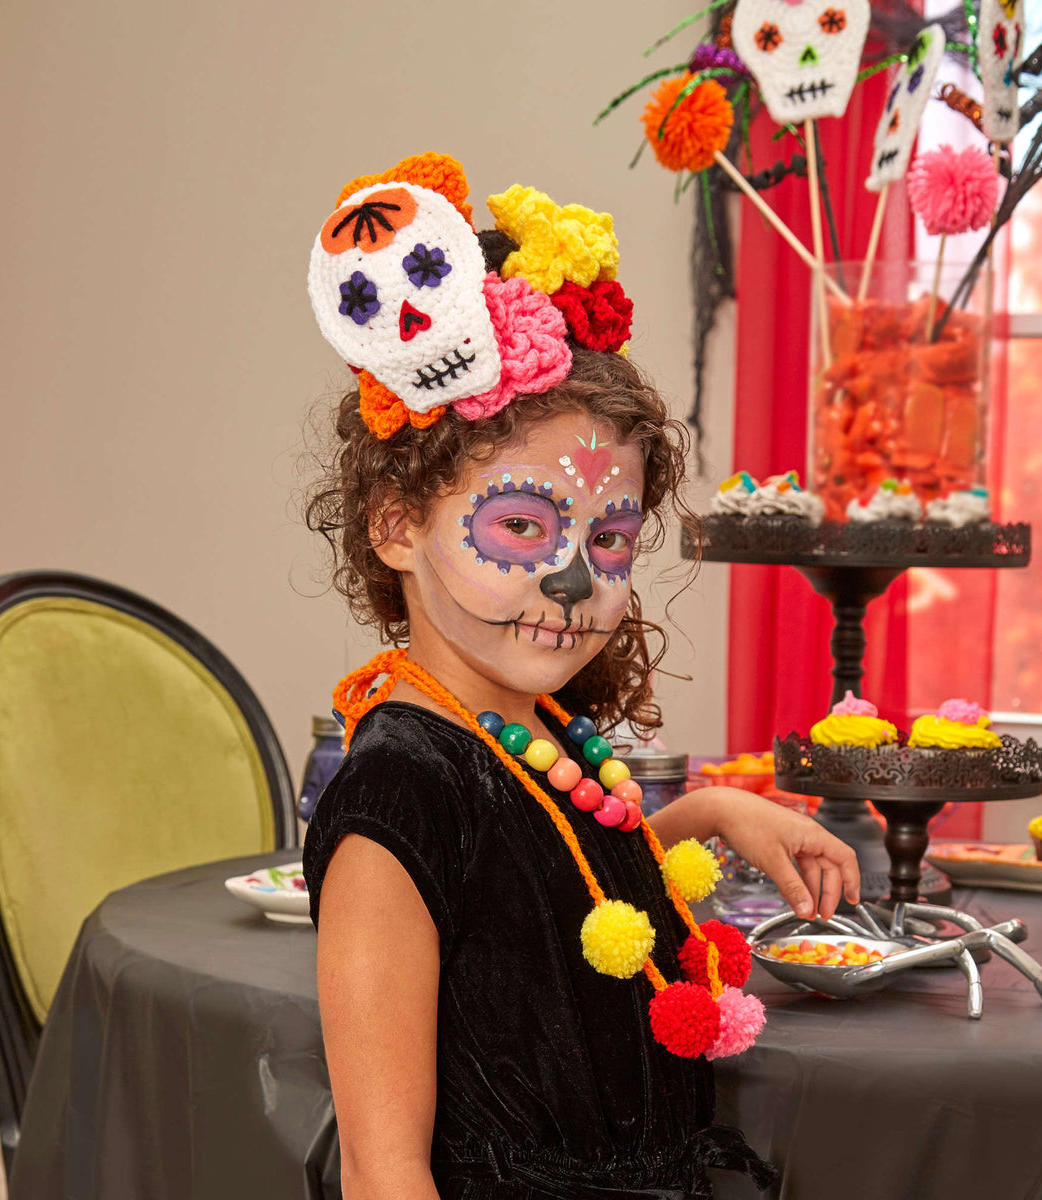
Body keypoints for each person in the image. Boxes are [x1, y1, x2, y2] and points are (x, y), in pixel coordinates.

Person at [302, 152, 860, 1200]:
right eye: (521, 526)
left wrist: (708, 812)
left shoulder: (533, 729)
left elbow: (544, 897)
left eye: (608, 538)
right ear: (393, 525)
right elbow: (384, 1176)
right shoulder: (397, 800)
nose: (571, 582)